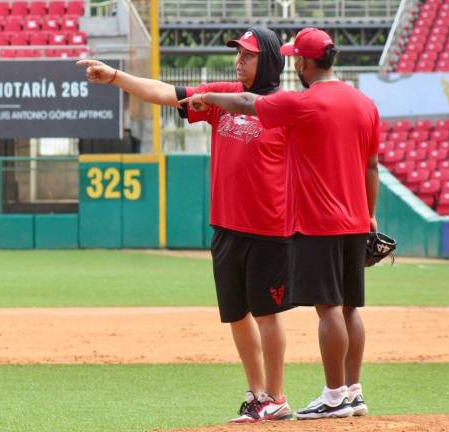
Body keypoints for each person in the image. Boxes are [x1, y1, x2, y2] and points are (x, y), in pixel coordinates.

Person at [77, 26, 294, 423]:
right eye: (238, 53)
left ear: (268, 60)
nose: (239, 60)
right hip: (226, 226)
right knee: (236, 313)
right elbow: (167, 93)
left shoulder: (286, 107)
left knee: (267, 313)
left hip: (269, 228)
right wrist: (116, 77)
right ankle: (256, 393)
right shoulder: (222, 97)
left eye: (248, 55)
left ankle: (277, 397)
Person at [180, 27, 379, 420]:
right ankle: (354, 391)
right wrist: (370, 215)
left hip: (321, 219)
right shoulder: (365, 103)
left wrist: (209, 97)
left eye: (296, 58)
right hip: (357, 219)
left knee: (329, 308)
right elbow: (371, 166)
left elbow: (248, 103)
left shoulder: (305, 101)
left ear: (302, 62)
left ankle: (334, 395)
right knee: (351, 308)